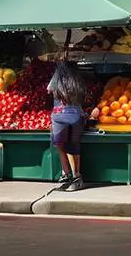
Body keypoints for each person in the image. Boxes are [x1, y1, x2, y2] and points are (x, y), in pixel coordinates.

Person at [47, 60, 87, 192]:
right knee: (74, 145)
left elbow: (49, 90)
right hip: (77, 115)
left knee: (60, 144)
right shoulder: (78, 80)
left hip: (59, 116)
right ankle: (77, 177)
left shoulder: (58, 76)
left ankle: (66, 173)